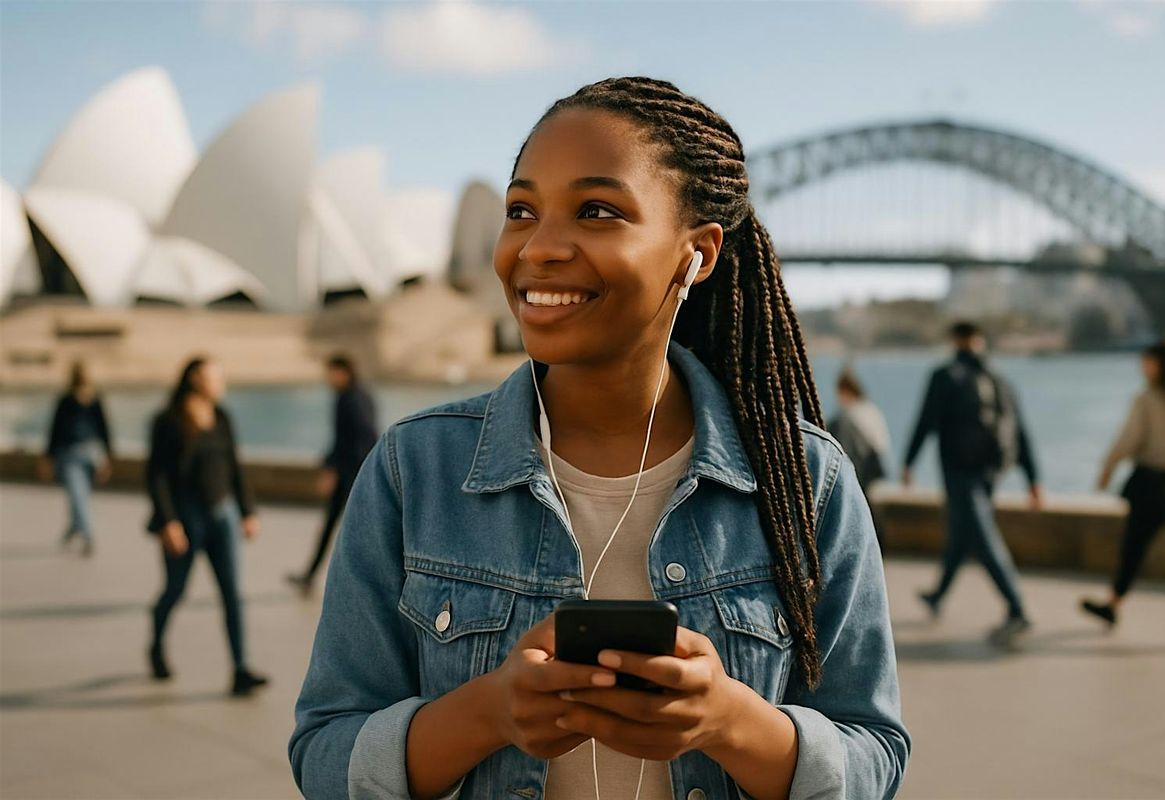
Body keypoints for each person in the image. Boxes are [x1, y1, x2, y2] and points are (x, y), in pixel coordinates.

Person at [291, 77, 909, 800]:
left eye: (596, 210)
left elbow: (876, 757)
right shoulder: (415, 470)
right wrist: (488, 712)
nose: (540, 247)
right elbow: (325, 755)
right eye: (521, 209)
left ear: (697, 254)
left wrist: (728, 722)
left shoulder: (807, 480)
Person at [902, 321, 1042, 644]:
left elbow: (925, 421)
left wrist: (909, 461)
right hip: (993, 472)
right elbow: (1020, 432)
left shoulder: (945, 376)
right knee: (963, 531)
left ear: (956, 341)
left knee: (982, 536)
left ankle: (1018, 608)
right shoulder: (1000, 378)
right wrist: (1033, 478)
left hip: (958, 471)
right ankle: (938, 595)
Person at [145, 356, 269, 696]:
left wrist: (247, 511)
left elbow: (234, 465)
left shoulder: (222, 416)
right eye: (216, 377)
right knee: (175, 590)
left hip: (223, 514)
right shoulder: (168, 421)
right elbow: (156, 476)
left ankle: (240, 669)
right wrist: (168, 521)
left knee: (232, 593)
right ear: (197, 379)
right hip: (185, 518)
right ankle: (155, 644)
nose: (221, 382)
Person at [1081, 336, 1165, 647]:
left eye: (1147, 361)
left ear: (1160, 365)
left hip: (1152, 487)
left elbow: (1128, 440)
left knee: (1133, 550)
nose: (1142, 367)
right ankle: (1112, 605)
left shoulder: (1147, 399)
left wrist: (1107, 469)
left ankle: (1112, 605)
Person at [287, 354, 379, 596]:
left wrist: (332, 469)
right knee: (336, 527)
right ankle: (311, 575)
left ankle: (363, 583)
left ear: (344, 372)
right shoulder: (362, 396)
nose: (328, 379)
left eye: (331, 373)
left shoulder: (349, 400)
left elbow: (354, 439)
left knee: (352, 530)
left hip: (351, 474)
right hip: (355, 472)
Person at [39, 361, 113, 557]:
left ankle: (75, 527)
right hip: (71, 454)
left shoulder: (95, 399)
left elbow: (105, 430)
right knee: (78, 495)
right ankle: (87, 534)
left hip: (92, 454)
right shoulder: (66, 400)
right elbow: (54, 431)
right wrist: (48, 458)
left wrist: (108, 458)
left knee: (80, 495)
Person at [829, 367, 891, 552]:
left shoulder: (850, 415)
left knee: (859, 507)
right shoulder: (871, 409)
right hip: (876, 464)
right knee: (866, 505)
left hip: (862, 466)